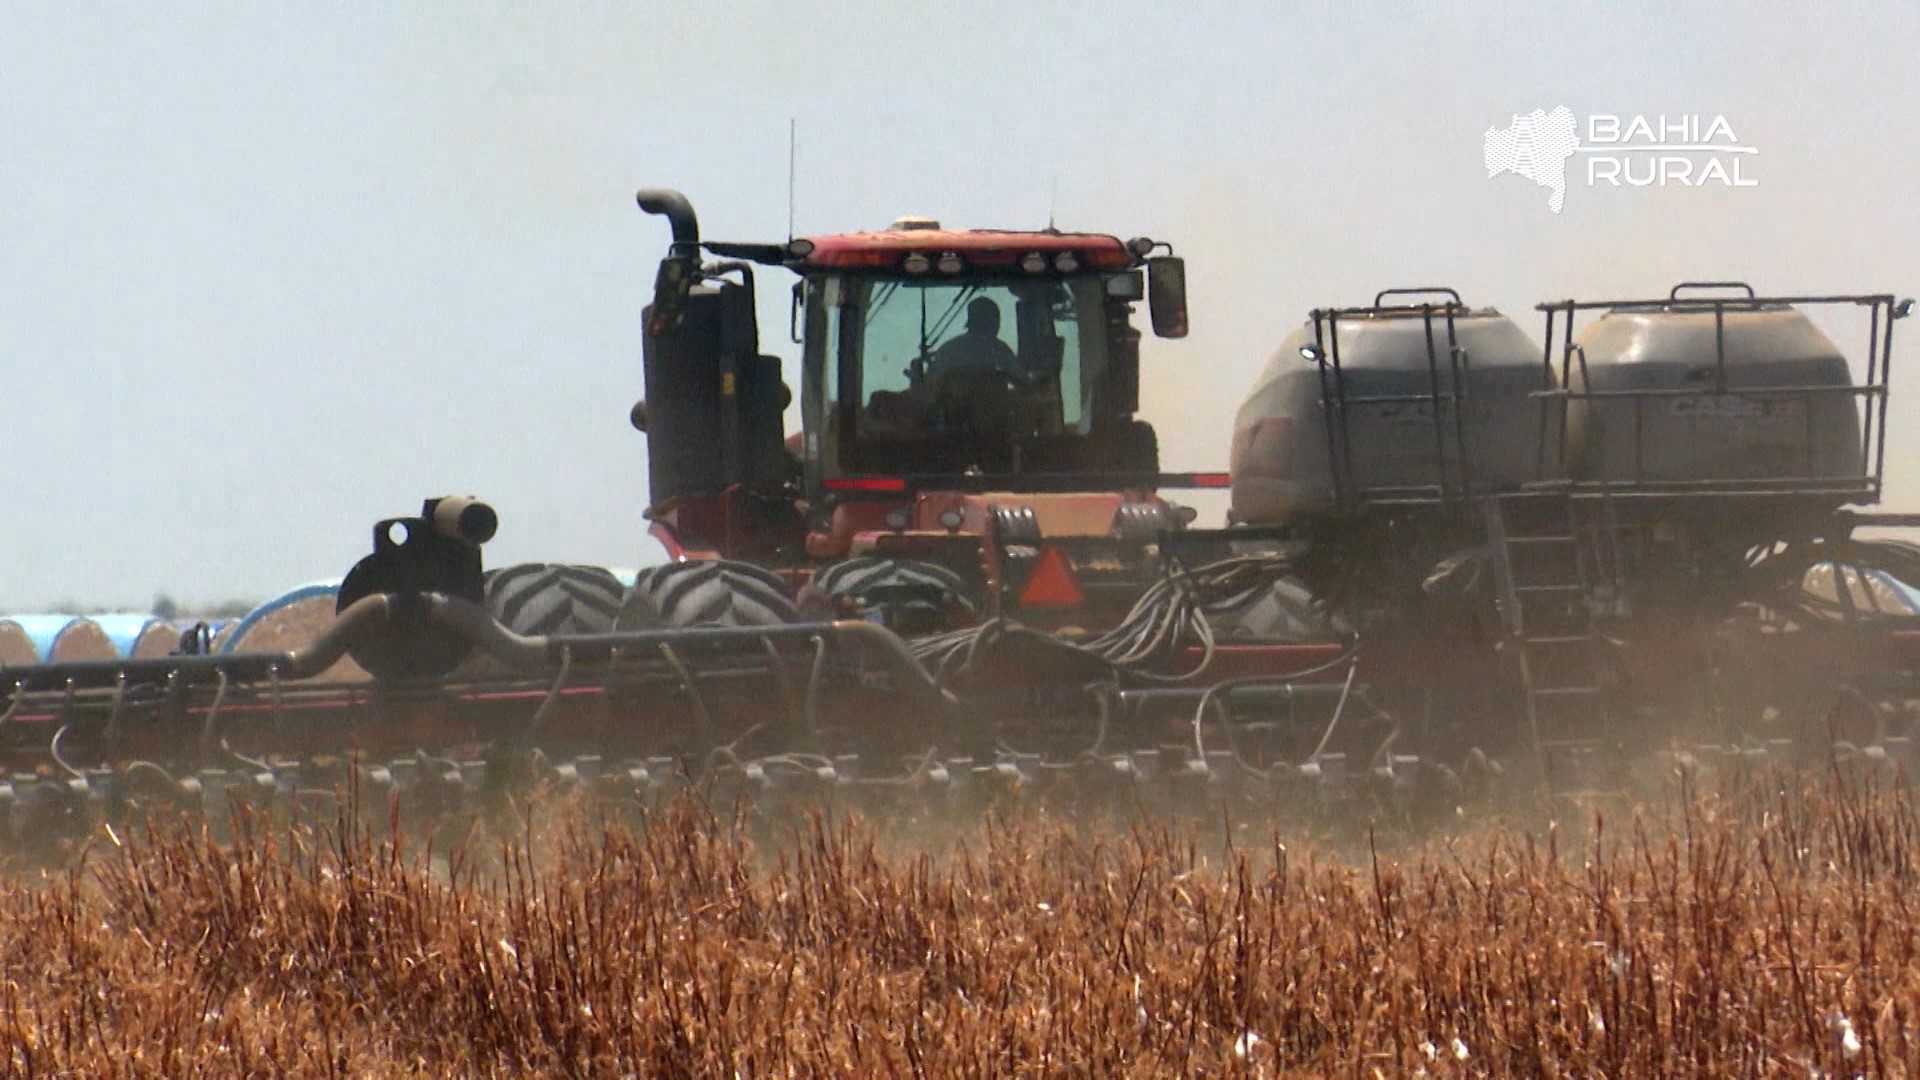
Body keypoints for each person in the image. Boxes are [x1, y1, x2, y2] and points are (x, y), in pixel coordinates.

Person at [927, 297, 1019, 380]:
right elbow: (1022, 381)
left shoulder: (946, 349)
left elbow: (931, 385)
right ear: (994, 322)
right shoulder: (1000, 350)